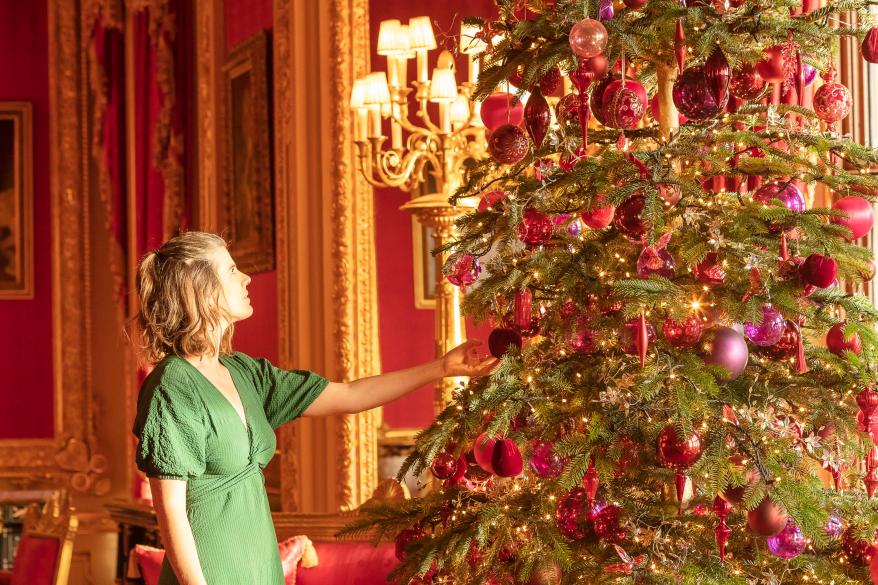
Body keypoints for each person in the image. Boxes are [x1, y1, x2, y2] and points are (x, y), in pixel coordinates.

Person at [132, 231, 497, 585]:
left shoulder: (246, 373)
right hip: (208, 572)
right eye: (230, 270)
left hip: (260, 566)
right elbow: (172, 515)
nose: (245, 278)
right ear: (202, 289)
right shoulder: (172, 387)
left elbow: (351, 395)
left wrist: (441, 368)